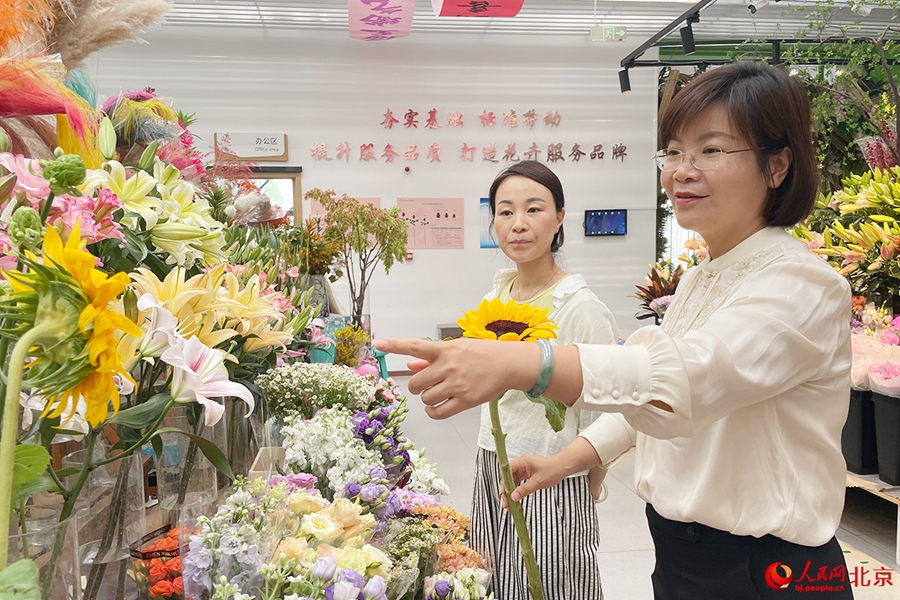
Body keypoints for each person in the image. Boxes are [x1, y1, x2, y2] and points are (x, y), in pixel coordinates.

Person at [376, 62, 852, 600]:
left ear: (777, 165)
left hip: (769, 568)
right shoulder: (699, 280)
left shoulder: (801, 284)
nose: (681, 171)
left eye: (711, 150)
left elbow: (684, 381)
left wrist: (523, 363)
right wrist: (571, 459)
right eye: (673, 152)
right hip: (682, 552)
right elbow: (650, 407)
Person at [470, 160, 617, 600]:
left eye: (534, 210)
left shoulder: (579, 307)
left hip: (552, 473)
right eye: (505, 211)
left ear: (559, 218)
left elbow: (609, 406)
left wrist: (590, 481)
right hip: (490, 460)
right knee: (492, 577)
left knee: (549, 586)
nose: (518, 224)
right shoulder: (494, 297)